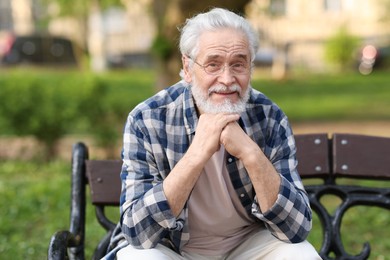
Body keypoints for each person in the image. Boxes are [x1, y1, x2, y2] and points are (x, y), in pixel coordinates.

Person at [103, 7, 321, 260]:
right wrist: (197, 154)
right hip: (172, 247)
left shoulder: (269, 117)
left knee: (300, 254)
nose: (227, 79)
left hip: (248, 246)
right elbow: (138, 234)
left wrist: (250, 154)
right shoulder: (147, 119)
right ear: (187, 66)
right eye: (213, 64)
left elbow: (296, 229)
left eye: (238, 64)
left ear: (251, 67)